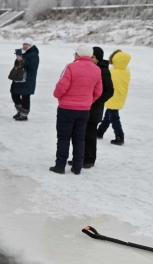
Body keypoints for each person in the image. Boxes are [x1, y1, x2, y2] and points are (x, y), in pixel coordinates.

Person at [50, 44, 102, 175]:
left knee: (63, 137)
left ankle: (60, 166)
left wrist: (57, 96)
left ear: (78, 54)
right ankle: (77, 167)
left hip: (66, 109)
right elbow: (98, 91)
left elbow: (61, 86)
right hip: (84, 110)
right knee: (79, 138)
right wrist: (88, 102)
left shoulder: (71, 67)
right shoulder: (96, 69)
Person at [68, 47, 114, 169]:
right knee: (80, 134)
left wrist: (95, 101)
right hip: (85, 106)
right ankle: (79, 157)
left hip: (94, 109)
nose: (90, 59)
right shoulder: (92, 68)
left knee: (90, 135)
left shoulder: (103, 70)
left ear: (98, 58)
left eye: (92, 57)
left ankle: (89, 159)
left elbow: (109, 91)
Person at [97, 50, 131, 146]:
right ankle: (100, 132)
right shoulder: (126, 72)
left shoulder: (111, 72)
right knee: (109, 115)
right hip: (120, 96)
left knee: (114, 117)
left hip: (112, 95)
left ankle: (119, 136)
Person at [11, 38, 39, 121]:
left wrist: (22, 60)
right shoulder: (22, 53)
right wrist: (18, 59)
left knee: (25, 96)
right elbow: (16, 64)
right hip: (18, 77)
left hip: (28, 79)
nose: (25, 46)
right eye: (24, 44)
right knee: (14, 94)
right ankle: (20, 111)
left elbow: (33, 66)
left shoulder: (34, 54)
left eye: (27, 44)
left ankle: (24, 114)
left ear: (30, 45)